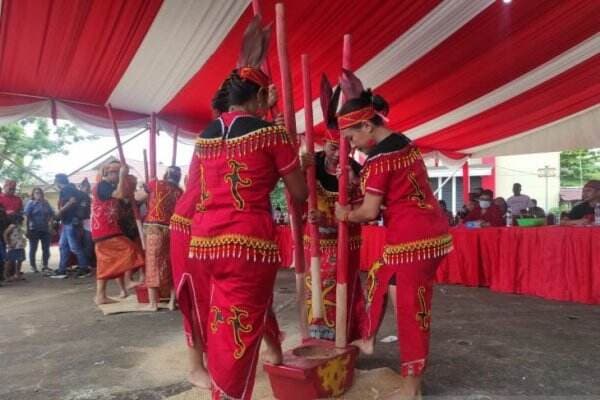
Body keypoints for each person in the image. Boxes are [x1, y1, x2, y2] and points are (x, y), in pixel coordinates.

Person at [186, 31, 308, 398]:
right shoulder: (272, 134)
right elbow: (299, 193)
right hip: (247, 244)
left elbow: (199, 186)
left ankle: (247, 371)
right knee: (237, 331)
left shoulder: (205, 134)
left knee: (223, 321)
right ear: (259, 97)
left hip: (204, 243)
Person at [333, 71, 451, 398]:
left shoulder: (379, 159)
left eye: (352, 139)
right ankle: (369, 337)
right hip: (428, 233)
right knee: (382, 275)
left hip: (413, 241)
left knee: (410, 314)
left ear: (367, 126)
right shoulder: (404, 143)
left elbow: (369, 212)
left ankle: (412, 387)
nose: (352, 146)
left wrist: (346, 214)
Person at [92, 161, 145, 305]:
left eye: (118, 173)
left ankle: (100, 296)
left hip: (105, 229)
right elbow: (120, 194)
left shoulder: (109, 186)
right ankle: (127, 282)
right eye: (115, 173)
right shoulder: (103, 186)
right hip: (106, 229)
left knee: (105, 263)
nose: (117, 176)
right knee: (131, 250)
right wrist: (122, 176)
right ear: (107, 173)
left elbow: (125, 198)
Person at [137, 166, 183, 311]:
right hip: (171, 228)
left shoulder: (155, 184)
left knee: (152, 263)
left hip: (154, 227)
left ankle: (153, 303)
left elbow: (138, 197)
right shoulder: (179, 192)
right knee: (170, 263)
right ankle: (171, 301)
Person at [51, 174, 90, 278]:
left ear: (58, 182)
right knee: (63, 245)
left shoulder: (66, 189)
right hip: (68, 221)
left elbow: (72, 201)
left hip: (70, 221)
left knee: (74, 246)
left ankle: (84, 268)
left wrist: (60, 211)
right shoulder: (72, 189)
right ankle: (62, 269)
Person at [24, 188, 55, 273]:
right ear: (33, 194)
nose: (39, 194)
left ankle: (45, 265)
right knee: (33, 248)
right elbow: (26, 217)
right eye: (36, 193)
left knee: (46, 249)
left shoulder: (46, 203)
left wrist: (51, 227)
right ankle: (33, 266)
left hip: (45, 229)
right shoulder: (30, 203)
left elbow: (51, 215)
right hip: (34, 229)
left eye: (40, 193)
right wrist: (27, 229)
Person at [4, 214, 26, 281]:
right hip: (14, 246)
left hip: (20, 246)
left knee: (20, 260)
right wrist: (8, 243)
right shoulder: (12, 226)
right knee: (10, 261)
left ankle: (17, 274)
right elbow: (5, 234)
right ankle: (6, 275)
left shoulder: (19, 226)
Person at [78, 178, 95, 269]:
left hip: (91, 223)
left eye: (87, 187)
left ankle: (88, 263)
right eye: (85, 187)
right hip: (84, 223)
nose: (86, 188)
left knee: (89, 244)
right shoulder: (79, 198)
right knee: (85, 244)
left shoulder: (91, 197)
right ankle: (85, 263)